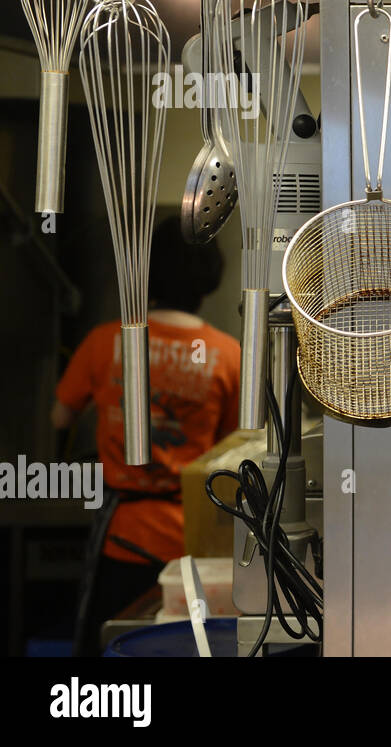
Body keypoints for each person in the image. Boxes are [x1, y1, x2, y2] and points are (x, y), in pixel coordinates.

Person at [51, 215, 239, 653]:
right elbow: (234, 451)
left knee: (119, 652)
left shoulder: (103, 342)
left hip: (123, 540)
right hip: (194, 544)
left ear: (145, 271)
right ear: (209, 278)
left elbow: (60, 418)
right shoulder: (229, 355)